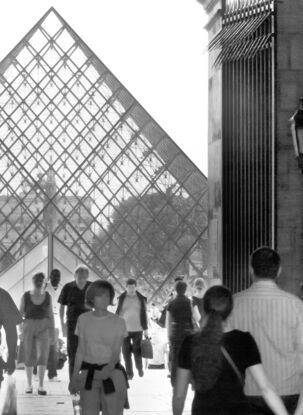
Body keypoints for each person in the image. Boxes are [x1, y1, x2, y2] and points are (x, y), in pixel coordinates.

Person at [173, 285, 289, 415]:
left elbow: (179, 395)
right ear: (230, 310)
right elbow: (266, 388)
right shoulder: (244, 340)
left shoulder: (190, 342)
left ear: (204, 308)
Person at [228, 247, 303, 415]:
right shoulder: (295, 305)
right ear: (279, 271)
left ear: (251, 269)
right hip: (289, 390)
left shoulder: (234, 304)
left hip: (247, 391)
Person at [69, 280, 128, 415]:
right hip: (88, 373)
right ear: (91, 298)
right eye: (100, 295)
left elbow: (116, 350)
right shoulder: (83, 319)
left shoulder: (119, 321)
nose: (104, 299)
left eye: (107, 296)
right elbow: (80, 351)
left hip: (112, 372)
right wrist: (74, 377)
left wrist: (108, 368)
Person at [19, 272, 55, 395]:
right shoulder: (25, 296)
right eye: (37, 279)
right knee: (29, 355)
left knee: (43, 356)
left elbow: (51, 315)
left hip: (44, 328)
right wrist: (20, 330)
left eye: (41, 279)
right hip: (28, 327)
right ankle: (29, 385)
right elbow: (20, 314)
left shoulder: (48, 296)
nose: (39, 281)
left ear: (44, 282)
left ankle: (41, 385)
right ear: (33, 281)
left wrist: (53, 333)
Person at [58, 264, 91, 379]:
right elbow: (61, 307)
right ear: (75, 276)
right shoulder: (68, 287)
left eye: (84, 278)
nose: (82, 280)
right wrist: (62, 324)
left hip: (88, 325)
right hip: (72, 324)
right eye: (79, 277)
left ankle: (86, 381)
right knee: (73, 353)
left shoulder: (92, 287)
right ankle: (73, 382)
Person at [116, 278, 148, 379]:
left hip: (138, 328)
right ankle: (129, 373)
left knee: (137, 350)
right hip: (124, 329)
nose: (131, 290)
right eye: (129, 287)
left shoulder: (141, 299)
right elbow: (118, 314)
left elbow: (144, 314)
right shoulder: (121, 298)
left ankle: (139, 368)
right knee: (126, 352)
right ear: (126, 287)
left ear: (136, 287)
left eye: (133, 287)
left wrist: (146, 329)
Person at [166, 280, 193, 387]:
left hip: (175, 332)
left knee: (175, 357)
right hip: (187, 332)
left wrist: (169, 335)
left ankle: (174, 380)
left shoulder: (172, 303)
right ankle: (188, 379)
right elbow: (192, 318)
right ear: (185, 289)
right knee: (187, 356)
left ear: (176, 289)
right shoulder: (188, 302)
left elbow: (169, 320)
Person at [0, 288, 22, 388]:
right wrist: (11, 357)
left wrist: (11, 356)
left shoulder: (2, 295)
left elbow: (11, 330)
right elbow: (11, 330)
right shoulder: (2, 295)